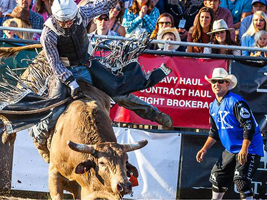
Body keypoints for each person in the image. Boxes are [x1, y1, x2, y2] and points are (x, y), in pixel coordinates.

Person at [33, 0, 173, 162]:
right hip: (64, 70)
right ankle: (39, 137)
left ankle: (154, 114)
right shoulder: (48, 34)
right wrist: (71, 82)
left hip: (87, 63)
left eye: (70, 20)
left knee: (118, 91)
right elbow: (55, 63)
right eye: (63, 22)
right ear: (56, 18)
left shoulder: (82, 14)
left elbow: (103, 5)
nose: (67, 24)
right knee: (54, 109)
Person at [196, 67, 263, 200]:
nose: (216, 84)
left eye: (220, 81)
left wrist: (244, 149)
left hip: (249, 147)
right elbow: (214, 132)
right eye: (214, 81)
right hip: (231, 149)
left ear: (228, 84)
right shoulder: (213, 106)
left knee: (241, 181)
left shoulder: (236, 102)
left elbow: (248, 126)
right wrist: (204, 149)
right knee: (217, 178)